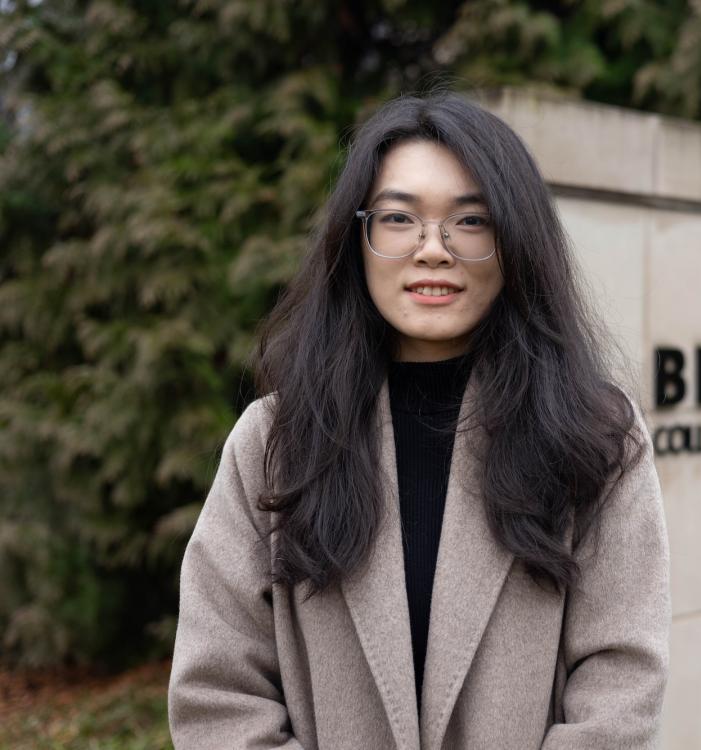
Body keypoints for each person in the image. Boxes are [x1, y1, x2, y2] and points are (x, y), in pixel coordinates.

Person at [167, 89, 671, 750]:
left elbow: (621, 682)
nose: (433, 250)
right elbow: (218, 695)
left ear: (516, 241)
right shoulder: (276, 442)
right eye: (399, 219)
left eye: (471, 221)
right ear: (359, 240)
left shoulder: (595, 436)